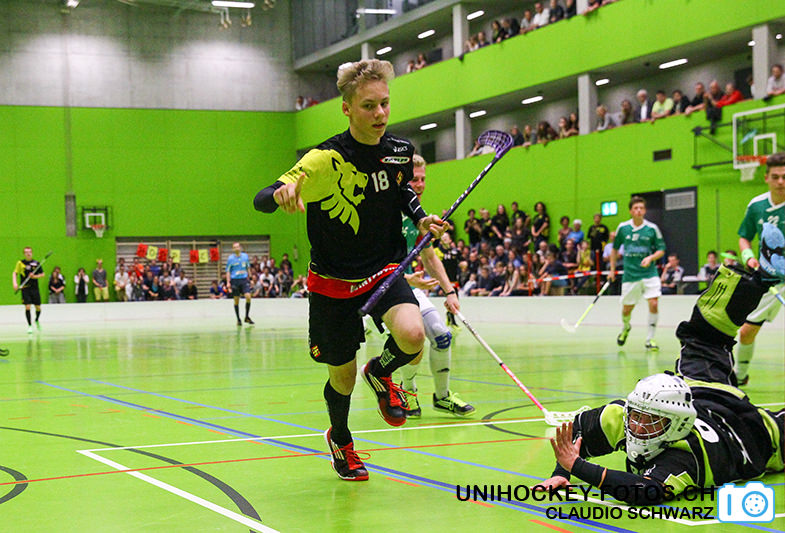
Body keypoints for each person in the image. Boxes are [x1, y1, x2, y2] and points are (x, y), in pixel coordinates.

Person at [253, 59, 446, 482]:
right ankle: (340, 437)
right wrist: (282, 193)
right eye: (368, 106)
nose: (380, 114)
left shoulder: (399, 151)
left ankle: (381, 371)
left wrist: (421, 218)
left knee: (414, 335)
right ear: (347, 108)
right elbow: (262, 197)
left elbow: (402, 192)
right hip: (333, 281)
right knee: (342, 379)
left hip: (383, 268)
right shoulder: (324, 160)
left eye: (385, 104)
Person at [539, 235, 785, 504]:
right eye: (637, 415)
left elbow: (644, 490)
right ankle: (761, 277)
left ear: (675, 425)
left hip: (755, 431)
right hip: (701, 389)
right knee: (703, 335)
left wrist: (577, 467)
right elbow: (575, 434)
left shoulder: (683, 456)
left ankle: (760, 277)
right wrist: (561, 472)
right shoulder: (628, 415)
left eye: (650, 421)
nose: (637, 426)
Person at [398, 154, 475, 419]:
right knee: (413, 341)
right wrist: (405, 279)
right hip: (383, 291)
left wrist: (449, 292)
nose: (419, 185)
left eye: (423, 179)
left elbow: (429, 258)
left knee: (442, 336)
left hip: (409, 287)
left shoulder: (418, 217)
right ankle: (407, 391)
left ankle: (442, 397)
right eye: (414, 180)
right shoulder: (385, 213)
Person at [734, 152, 785, 386]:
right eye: (775, 177)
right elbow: (744, 237)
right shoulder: (756, 206)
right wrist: (748, 256)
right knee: (746, 332)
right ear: (766, 178)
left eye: (784, 177)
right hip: (769, 281)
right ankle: (740, 375)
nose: (781, 182)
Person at [610, 196, 665, 350]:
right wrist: (612, 269)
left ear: (645, 210)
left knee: (654, 303)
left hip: (649, 273)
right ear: (630, 211)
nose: (639, 210)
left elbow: (661, 249)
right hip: (630, 275)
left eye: (641, 208)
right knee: (627, 309)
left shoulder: (652, 229)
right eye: (636, 208)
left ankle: (650, 339)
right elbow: (614, 249)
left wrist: (651, 258)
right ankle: (626, 327)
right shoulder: (623, 228)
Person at [12, 247, 44, 333]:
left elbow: (42, 274)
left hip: (35, 288)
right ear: (24, 254)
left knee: (38, 308)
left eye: (29, 252)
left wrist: (35, 276)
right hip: (25, 288)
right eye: (26, 252)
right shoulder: (20, 263)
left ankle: (36, 320)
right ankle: (30, 326)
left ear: (32, 253)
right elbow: (15, 273)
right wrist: (15, 283)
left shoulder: (36, 263)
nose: (28, 254)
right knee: (27, 306)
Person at [225, 242, 254, 326]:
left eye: (237, 247)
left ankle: (247, 317)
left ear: (240, 247)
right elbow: (228, 271)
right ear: (233, 249)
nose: (236, 248)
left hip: (244, 279)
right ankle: (238, 319)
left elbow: (248, 268)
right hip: (235, 280)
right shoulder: (230, 259)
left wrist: (251, 279)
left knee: (248, 297)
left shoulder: (245, 256)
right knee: (236, 300)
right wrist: (228, 282)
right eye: (234, 247)